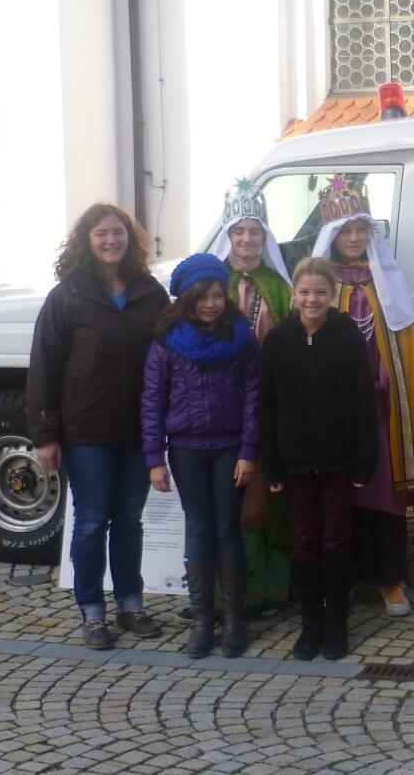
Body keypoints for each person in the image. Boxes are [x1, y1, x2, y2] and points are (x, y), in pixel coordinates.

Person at [27, 203, 168, 650]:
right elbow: (43, 368)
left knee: (129, 520)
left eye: (119, 233)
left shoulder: (150, 293)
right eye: (102, 233)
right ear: (86, 242)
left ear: (132, 239)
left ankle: (130, 604)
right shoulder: (67, 296)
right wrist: (45, 435)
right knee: (90, 523)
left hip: (138, 430)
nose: (112, 240)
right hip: (86, 431)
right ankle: (92, 613)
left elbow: (174, 352)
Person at [311, 175, 414, 617]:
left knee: (382, 494)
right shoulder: (318, 287)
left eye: (360, 230)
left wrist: (382, 385)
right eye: (344, 231)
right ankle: (340, 580)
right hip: (332, 413)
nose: (352, 238)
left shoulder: (383, 281)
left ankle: (390, 579)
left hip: (379, 411)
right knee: (335, 494)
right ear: (331, 236)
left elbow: (398, 344)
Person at [259, 257, 380, 661]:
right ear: (294, 294)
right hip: (295, 461)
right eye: (305, 292)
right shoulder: (278, 341)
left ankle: (336, 623)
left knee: (336, 538)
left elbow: (364, 402)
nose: (313, 299)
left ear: (333, 295)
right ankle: (310, 624)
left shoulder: (347, 337)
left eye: (321, 293)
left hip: (337, 459)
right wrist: (271, 463)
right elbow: (268, 405)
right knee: (306, 540)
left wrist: (364, 460)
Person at [142, 254, 260, 659]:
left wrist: (249, 450)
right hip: (188, 448)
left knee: (227, 529)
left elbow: (254, 397)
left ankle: (234, 620)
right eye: (203, 296)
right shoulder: (168, 340)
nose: (211, 303)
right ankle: (202, 620)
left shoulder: (241, 336)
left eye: (217, 295)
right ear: (187, 299)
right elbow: (152, 400)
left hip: (229, 448)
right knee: (198, 528)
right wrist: (154, 457)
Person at [204, 178, 294, 621]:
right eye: (239, 231)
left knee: (265, 494)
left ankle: (269, 589)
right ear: (228, 235)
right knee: (223, 497)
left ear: (265, 237)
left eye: (254, 232)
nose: (246, 240)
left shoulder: (278, 287)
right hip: (219, 403)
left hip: (266, 401)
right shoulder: (211, 283)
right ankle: (220, 594)